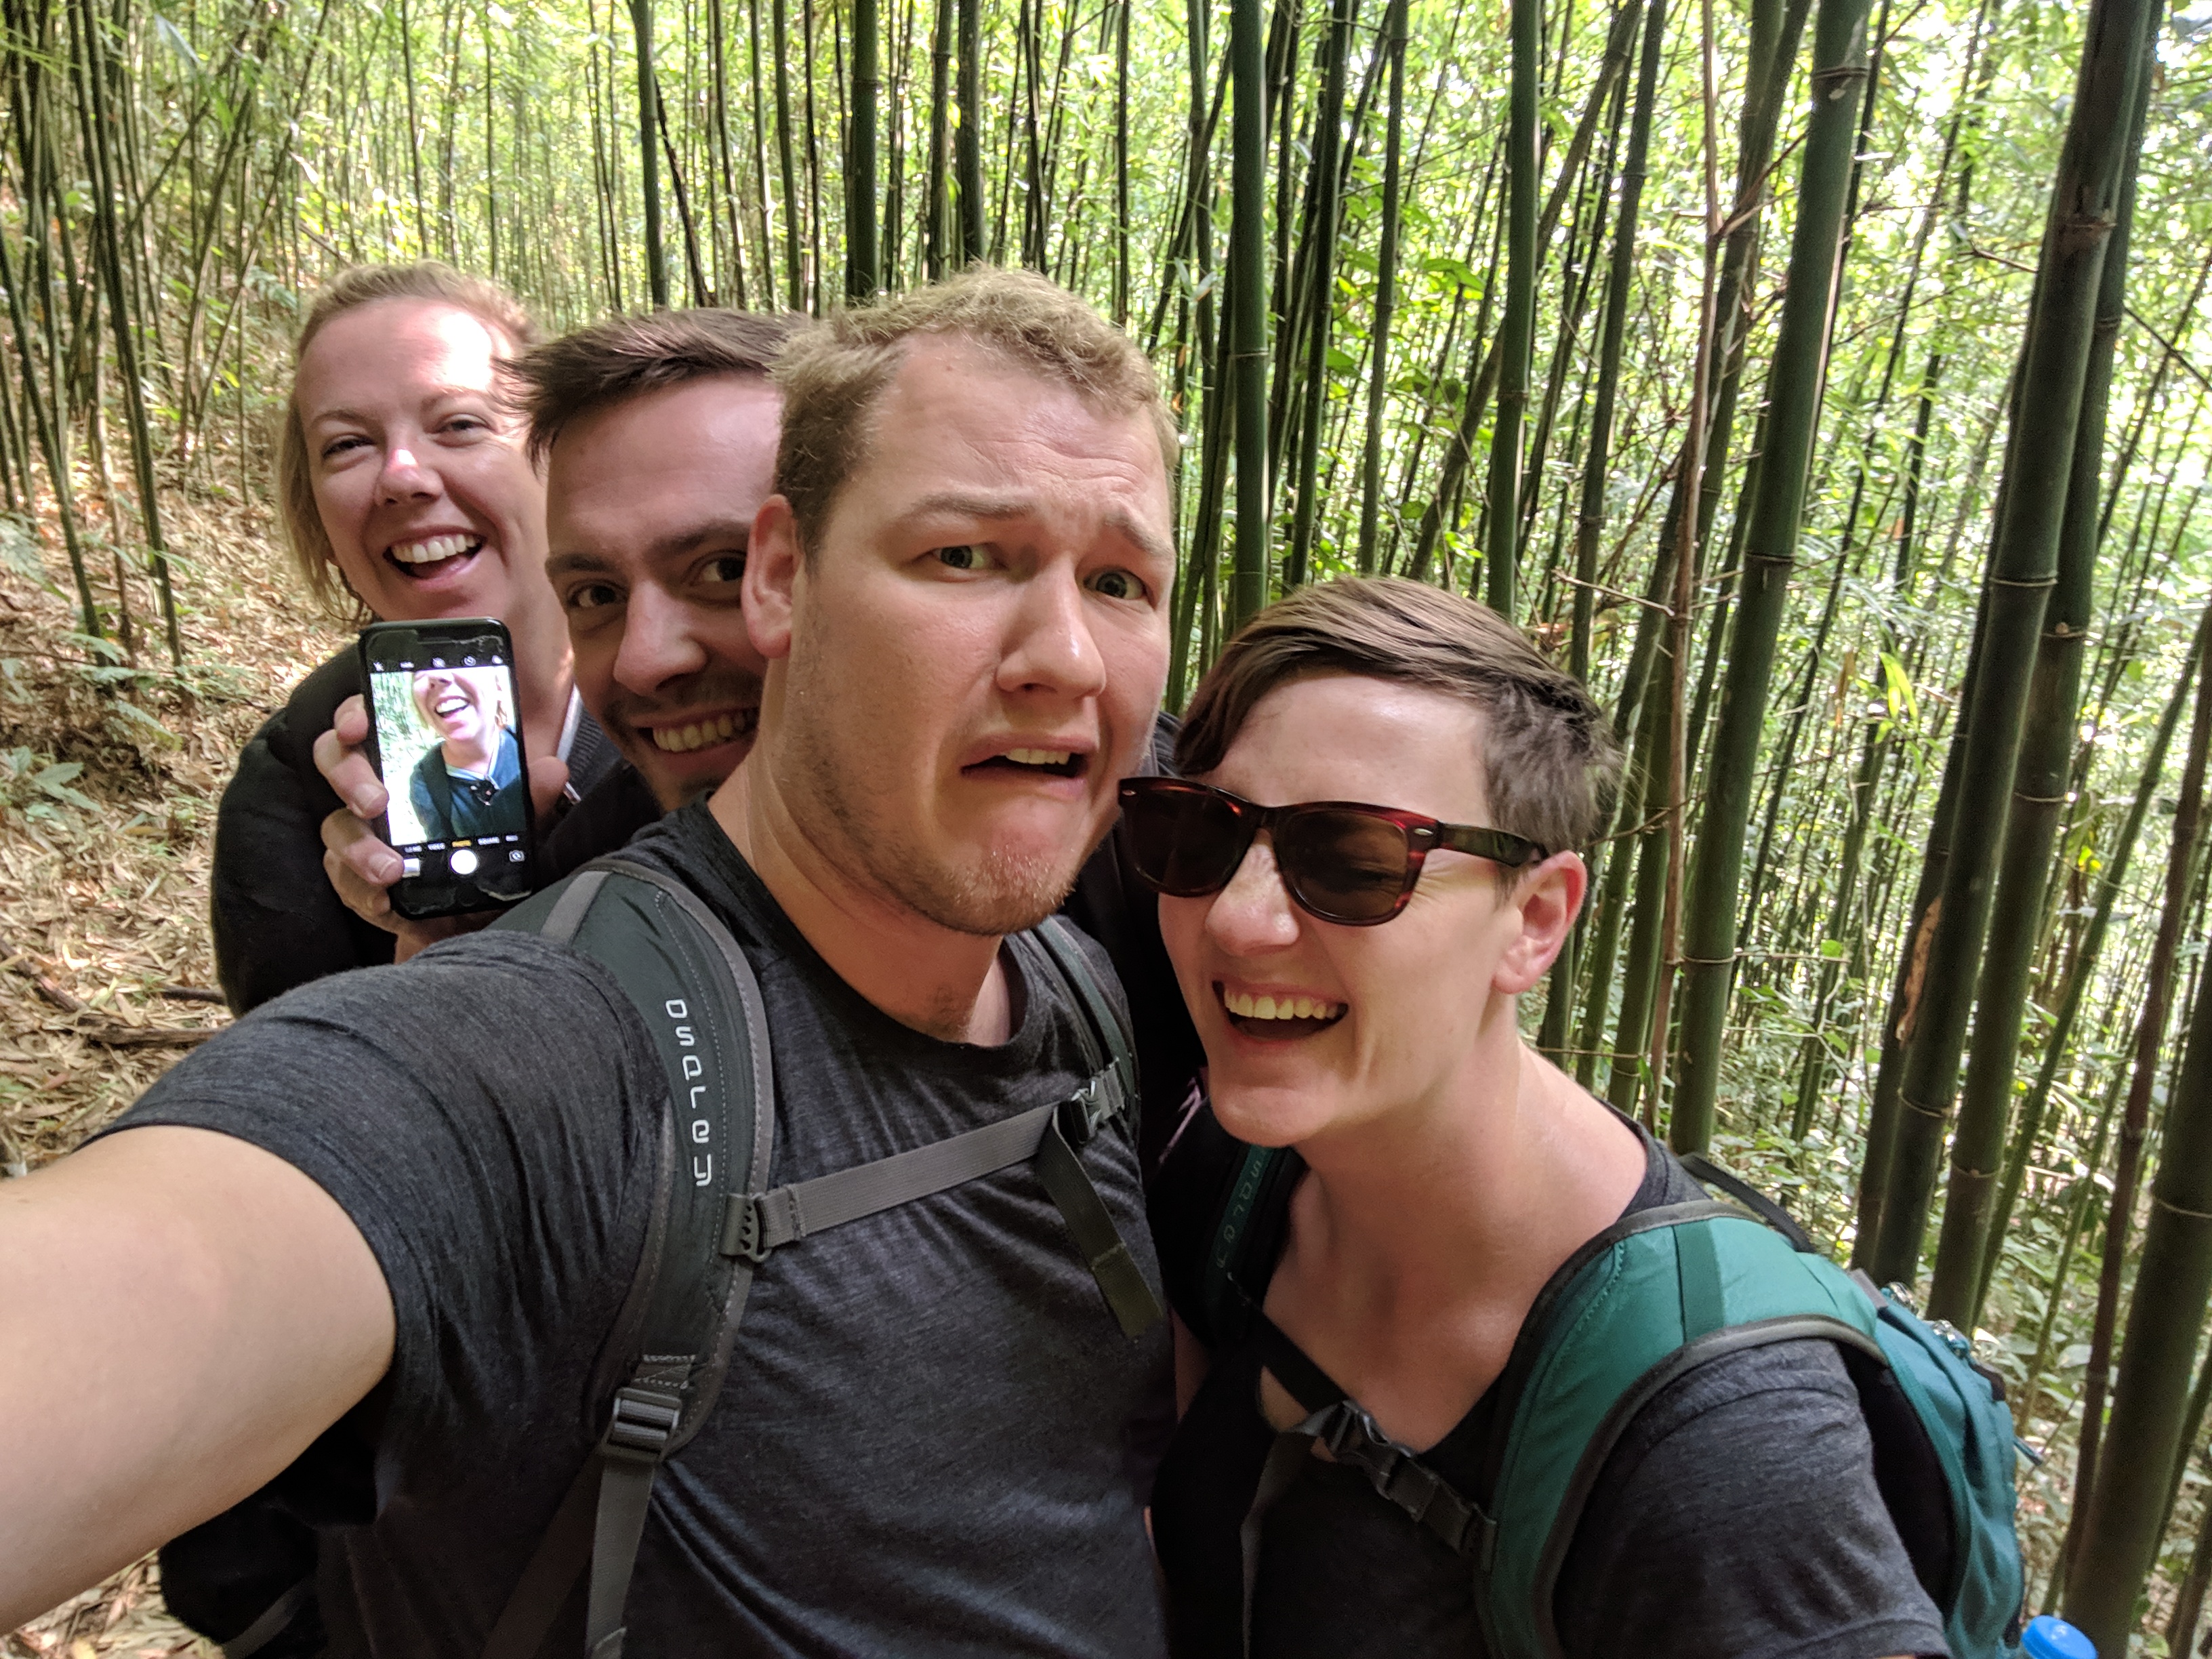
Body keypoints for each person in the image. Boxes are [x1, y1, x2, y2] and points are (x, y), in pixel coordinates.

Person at [0, 269, 1181, 1655]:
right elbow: (296, 1192)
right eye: (962, 558)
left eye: (1119, 583)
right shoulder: (565, 1044)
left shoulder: (1091, 951)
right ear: (799, 574)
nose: (1062, 656)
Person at [1137, 577, 1948, 1658]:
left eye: (1354, 859)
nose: (1238, 918)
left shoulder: (1723, 1443)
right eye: (1203, 832)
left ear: (1535, 918)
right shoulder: (1230, 1169)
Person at [210, 262, 622, 1014]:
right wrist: (430, 963)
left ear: (554, 455)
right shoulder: (291, 781)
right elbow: (303, 1100)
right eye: (346, 445)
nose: (403, 476)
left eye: (460, 424)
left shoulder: (683, 692)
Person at [402, 664, 526, 843]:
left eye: (459, 660)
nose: (437, 676)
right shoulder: (426, 781)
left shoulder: (529, 744)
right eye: (420, 669)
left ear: (498, 687)